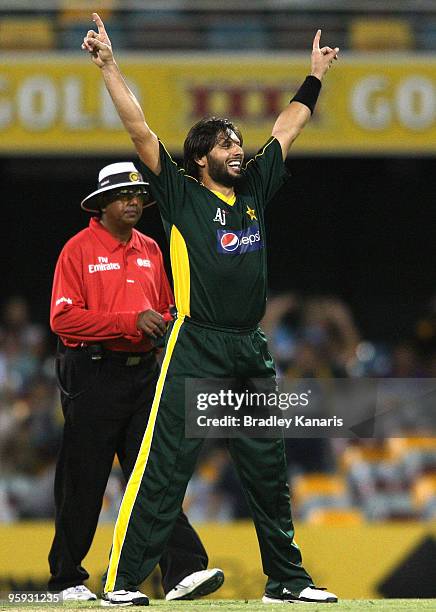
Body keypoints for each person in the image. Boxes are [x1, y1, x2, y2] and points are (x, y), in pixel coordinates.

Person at [82, 13, 340, 606]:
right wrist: (109, 66)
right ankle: (121, 584)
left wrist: (313, 77)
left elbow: (288, 127)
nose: (238, 149)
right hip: (194, 342)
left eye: (238, 142)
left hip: (248, 344)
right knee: (165, 467)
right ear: (201, 158)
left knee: (268, 471)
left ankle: (287, 581)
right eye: (226, 144)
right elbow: (140, 130)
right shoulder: (180, 193)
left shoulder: (253, 191)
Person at [48, 161, 224, 603]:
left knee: (154, 473)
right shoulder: (78, 250)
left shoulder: (150, 249)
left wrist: (165, 323)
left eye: (137, 195)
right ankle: (66, 579)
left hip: (144, 373)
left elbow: (164, 307)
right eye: (123, 196)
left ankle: (183, 571)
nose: (133, 202)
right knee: (83, 480)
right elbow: (62, 317)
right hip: (92, 373)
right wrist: (130, 322)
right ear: (103, 203)